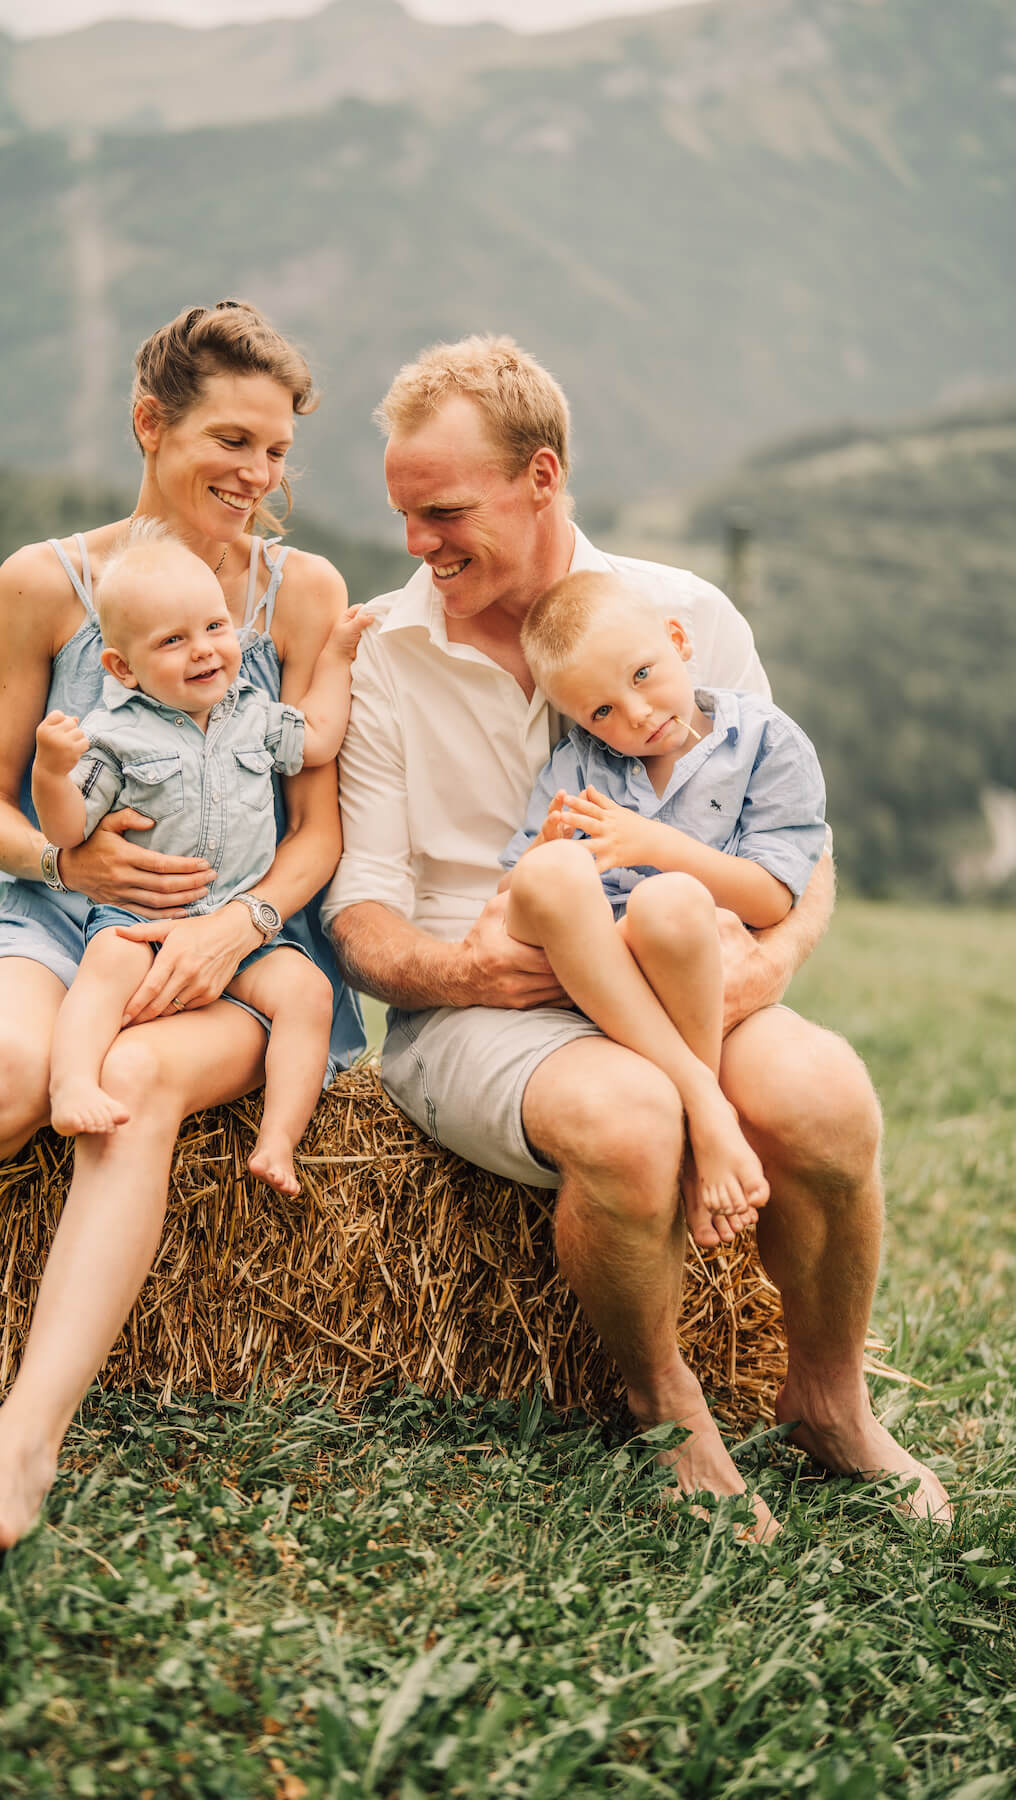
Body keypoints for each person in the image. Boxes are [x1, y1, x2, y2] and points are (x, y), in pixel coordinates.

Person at [324, 333, 951, 1540]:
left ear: (542, 476)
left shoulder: (687, 616)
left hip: (681, 965)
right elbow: (360, 913)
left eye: (445, 511)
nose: (417, 544)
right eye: (402, 514)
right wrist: (463, 970)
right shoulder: (386, 655)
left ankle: (828, 1400)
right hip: (487, 1008)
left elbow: (793, 838)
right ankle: (671, 1411)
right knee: (629, 1120)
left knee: (826, 1097)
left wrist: (770, 963)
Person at [0, 300, 365, 1550]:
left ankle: (21, 1448)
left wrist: (245, 924)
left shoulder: (301, 590)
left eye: (279, 451)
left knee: (125, 1076)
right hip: (65, 921)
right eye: (233, 439)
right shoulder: (46, 582)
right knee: (4, 1076)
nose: (259, 475)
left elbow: (317, 829)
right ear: (148, 423)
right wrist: (67, 854)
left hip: (248, 952)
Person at [33, 521, 370, 1192]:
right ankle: (70, 1086)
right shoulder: (113, 736)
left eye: (216, 628)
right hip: (145, 924)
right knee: (104, 965)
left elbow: (322, 739)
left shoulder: (257, 714)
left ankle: (279, 1139)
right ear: (122, 667)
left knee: (306, 991)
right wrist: (51, 772)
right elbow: (69, 829)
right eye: (173, 640)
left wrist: (333, 656)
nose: (204, 651)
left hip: (238, 929)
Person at [498, 567, 826, 1249]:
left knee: (670, 898)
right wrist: (552, 847)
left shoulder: (766, 741)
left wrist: (659, 845)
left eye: (643, 676)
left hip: (682, 965)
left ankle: (693, 1112)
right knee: (550, 869)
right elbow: (518, 895)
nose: (636, 714)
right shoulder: (578, 765)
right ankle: (709, 1112)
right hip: (590, 968)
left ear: (678, 641)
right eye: (601, 712)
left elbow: (772, 896)